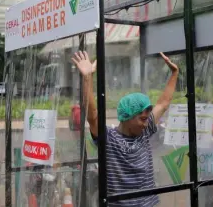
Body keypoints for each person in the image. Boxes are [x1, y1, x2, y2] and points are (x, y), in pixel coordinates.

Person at [72, 51, 178, 207]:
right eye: (142, 119)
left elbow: (163, 104)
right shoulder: (109, 139)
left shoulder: (145, 131)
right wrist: (87, 77)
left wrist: (175, 73)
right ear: (128, 117)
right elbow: (92, 116)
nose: (145, 123)